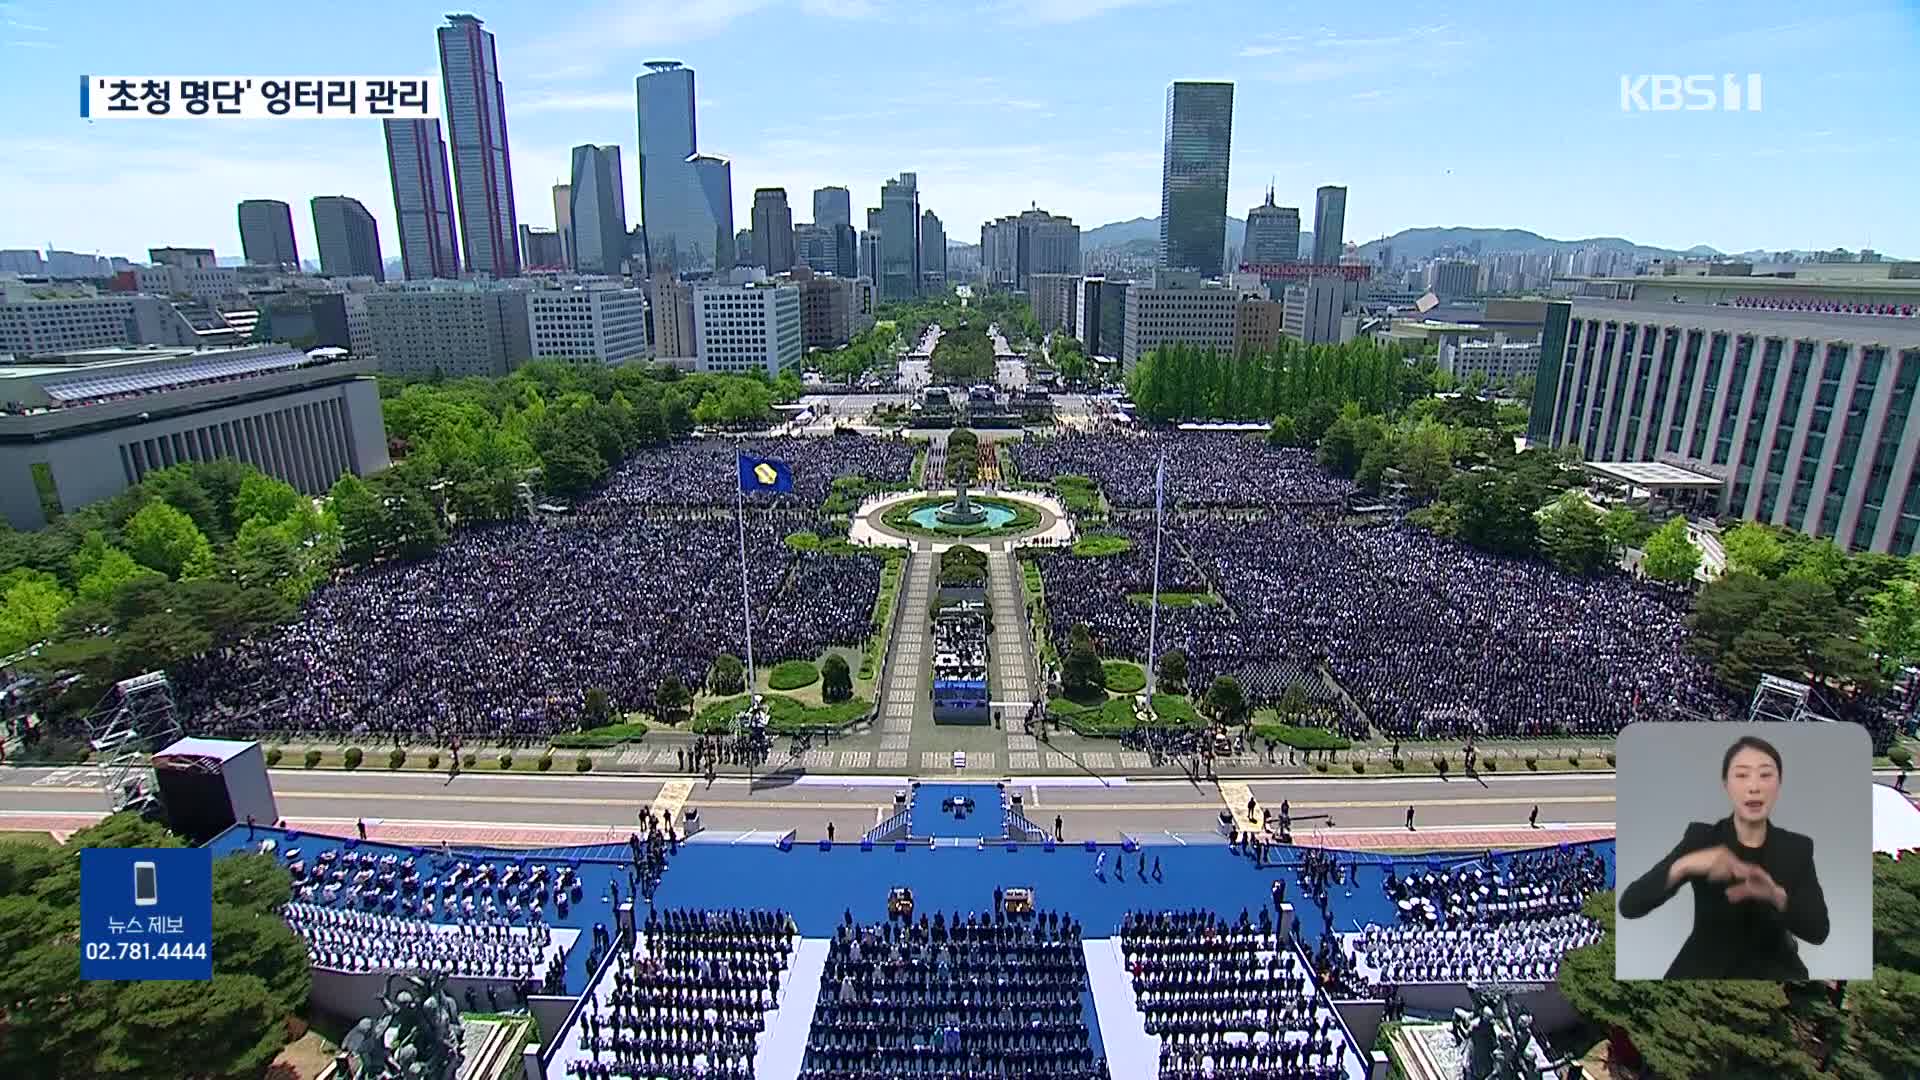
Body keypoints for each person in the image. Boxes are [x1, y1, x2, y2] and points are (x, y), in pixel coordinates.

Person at [1618, 735, 1830, 979]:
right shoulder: (1702, 837)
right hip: (1704, 971)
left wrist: (1775, 895)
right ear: (1726, 784)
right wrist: (1684, 865)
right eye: (1741, 775)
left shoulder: (1796, 848)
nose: (1754, 786)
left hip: (1773, 974)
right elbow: (1630, 905)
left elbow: (1818, 931)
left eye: (1765, 775)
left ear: (1779, 784)